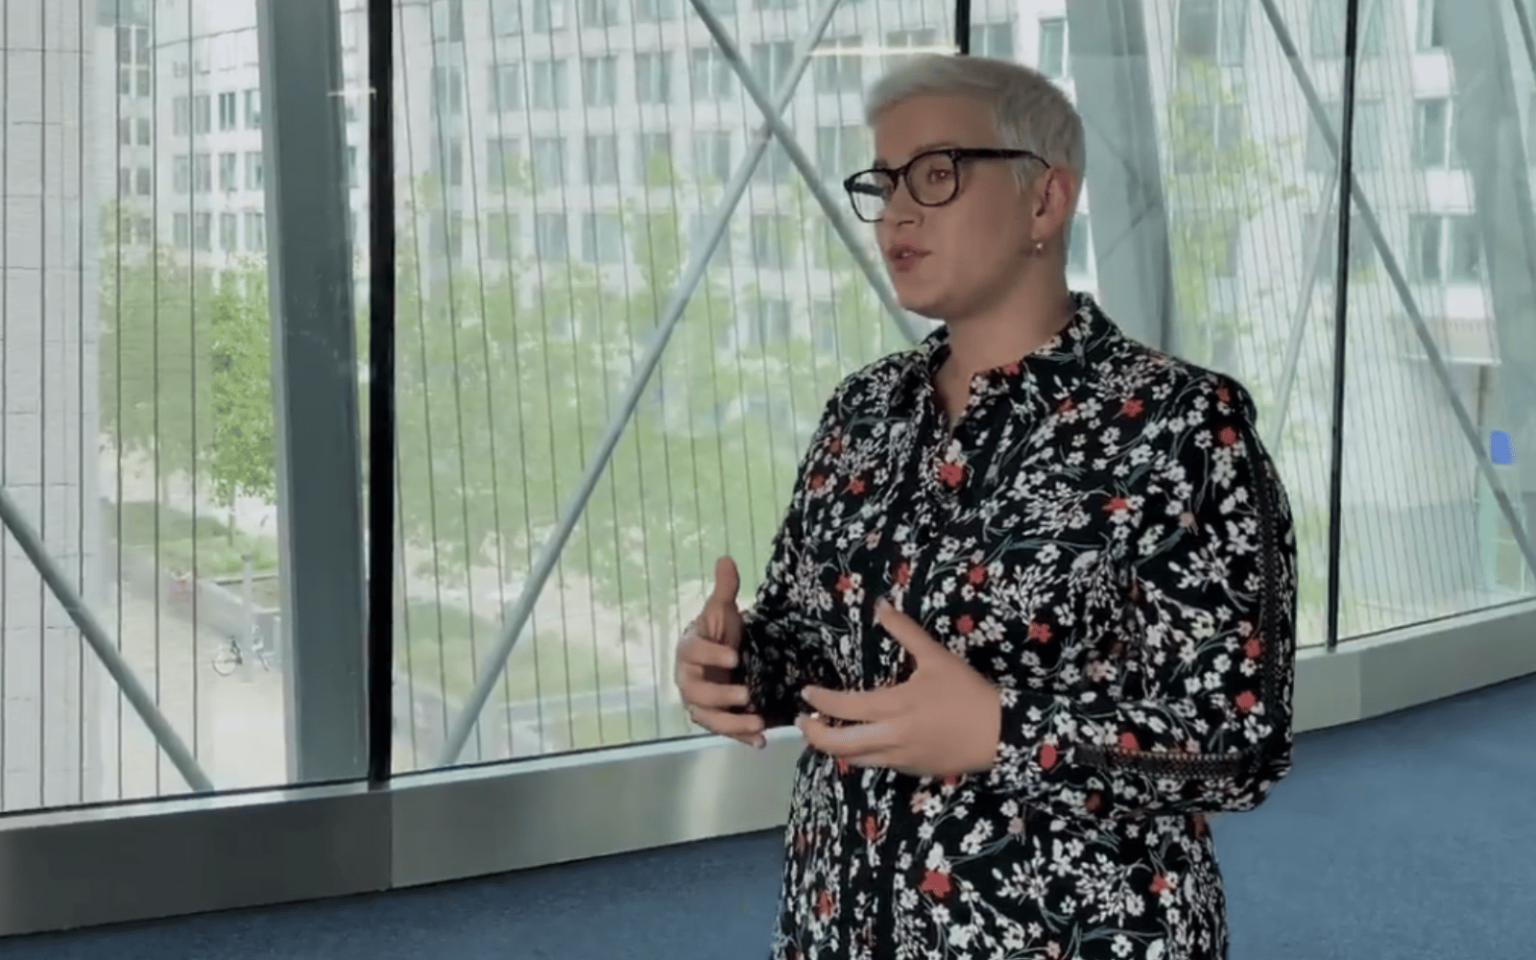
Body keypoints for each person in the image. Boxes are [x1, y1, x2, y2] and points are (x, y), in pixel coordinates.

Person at [673, 53, 1298, 960]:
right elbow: (817, 643)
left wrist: (1004, 733)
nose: (897, 211)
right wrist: (739, 665)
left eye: (937, 173)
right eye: (884, 182)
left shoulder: (1179, 425)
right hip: (839, 918)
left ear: (1045, 200)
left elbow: (1241, 741)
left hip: (1066, 933)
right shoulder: (865, 408)